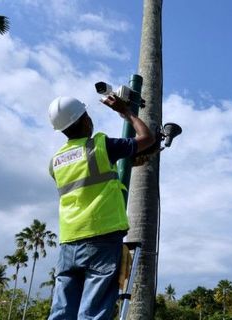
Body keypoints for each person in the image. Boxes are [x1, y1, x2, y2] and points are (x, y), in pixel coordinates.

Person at [47, 95, 155, 319]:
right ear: (85, 120)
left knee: (62, 312)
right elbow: (147, 138)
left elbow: (87, 178)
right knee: (93, 312)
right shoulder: (101, 146)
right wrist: (126, 113)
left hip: (69, 240)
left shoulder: (55, 161)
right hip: (101, 238)